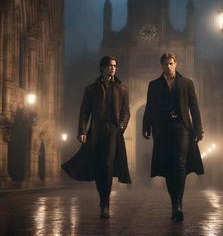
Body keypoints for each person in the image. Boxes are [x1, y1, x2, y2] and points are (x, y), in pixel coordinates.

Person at [62, 56, 131, 219]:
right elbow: (84, 111)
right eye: (110, 65)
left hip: (113, 131)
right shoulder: (91, 89)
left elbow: (126, 112)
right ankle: (103, 200)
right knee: (99, 167)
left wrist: (121, 126)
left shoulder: (122, 89)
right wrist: (82, 131)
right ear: (102, 68)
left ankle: (105, 204)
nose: (113, 68)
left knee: (107, 166)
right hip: (96, 130)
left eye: (115, 65)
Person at [142, 52, 204, 222]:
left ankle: (178, 204)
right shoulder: (154, 85)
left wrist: (198, 130)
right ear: (161, 65)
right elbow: (150, 107)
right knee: (169, 166)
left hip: (182, 127)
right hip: (162, 129)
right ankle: (174, 203)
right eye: (165, 64)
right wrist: (146, 127)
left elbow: (194, 107)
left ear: (176, 64)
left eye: (171, 63)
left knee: (180, 165)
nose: (168, 66)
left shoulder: (187, 83)